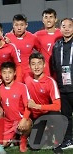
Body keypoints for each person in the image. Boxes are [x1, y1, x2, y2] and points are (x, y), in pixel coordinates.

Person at [25, 52, 65, 154]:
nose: (36, 67)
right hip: (36, 117)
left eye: (39, 63)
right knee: (34, 146)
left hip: (47, 114)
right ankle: (46, 133)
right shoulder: (27, 78)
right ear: (29, 66)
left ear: (44, 65)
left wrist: (37, 106)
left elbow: (57, 106)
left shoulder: (50, 81)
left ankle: (57, 144)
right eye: (33, 64)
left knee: (58, 117)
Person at [0, 61, 32, 153]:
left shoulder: (22, 87)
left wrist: (24, 119)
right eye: (4, 73)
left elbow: (28, 107)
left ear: (14, 73)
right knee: (1, 144)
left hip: (20, 120)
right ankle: (14, 136)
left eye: (10, 72)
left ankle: (23, 140)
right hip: (8, 122)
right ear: (1, 74)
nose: (7, 76)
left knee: (27, 123)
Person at [51, 18, 73, 149]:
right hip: (63, 87)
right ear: (60, 28)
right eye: (64, 26)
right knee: (66, 116)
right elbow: (54, 65)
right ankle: (69, 139)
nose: (66, 28)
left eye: (70, 26)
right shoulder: (57, 45)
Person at [5, 14, 40, 79]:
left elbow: (40, 51)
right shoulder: (7, 37)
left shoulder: (32, 38)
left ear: (26, 25)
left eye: (21, 25)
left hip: (29, 74)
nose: (19, 28)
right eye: (16, 25)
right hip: (13, 74)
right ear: (13, 25)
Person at [34, 8, 62, 76]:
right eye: (46, 17)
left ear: (55, 19)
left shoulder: (62, 33)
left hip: (59, 71)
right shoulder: (37, 35)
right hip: (45, 72)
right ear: (43, 20)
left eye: (51, 17)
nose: (48, 20)